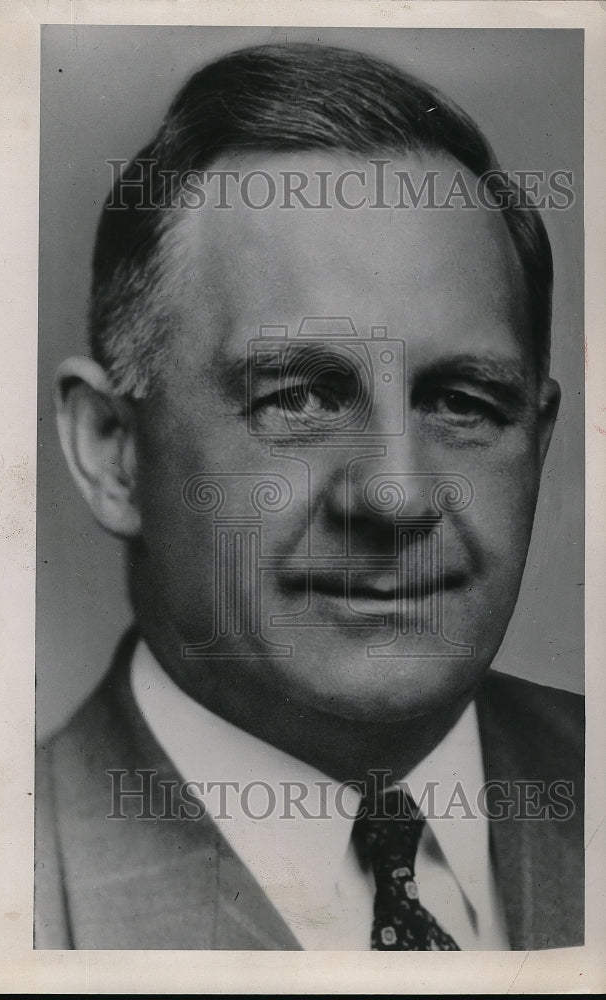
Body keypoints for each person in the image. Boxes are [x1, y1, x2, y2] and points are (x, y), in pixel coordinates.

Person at [35, 42, 583, 951]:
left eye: (463, 403)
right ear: (113, 452)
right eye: (299, 397)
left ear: (539, 441)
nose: (399, 496)